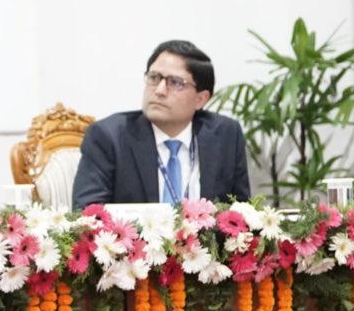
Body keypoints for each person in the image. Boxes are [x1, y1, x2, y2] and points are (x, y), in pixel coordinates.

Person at [71, 39, 250, 207]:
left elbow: (241, 215)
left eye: (175, 82)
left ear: (200, 99)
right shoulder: (108, 137)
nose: (159, 90)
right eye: (154, 78)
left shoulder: (226, 135)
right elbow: (88, 216)